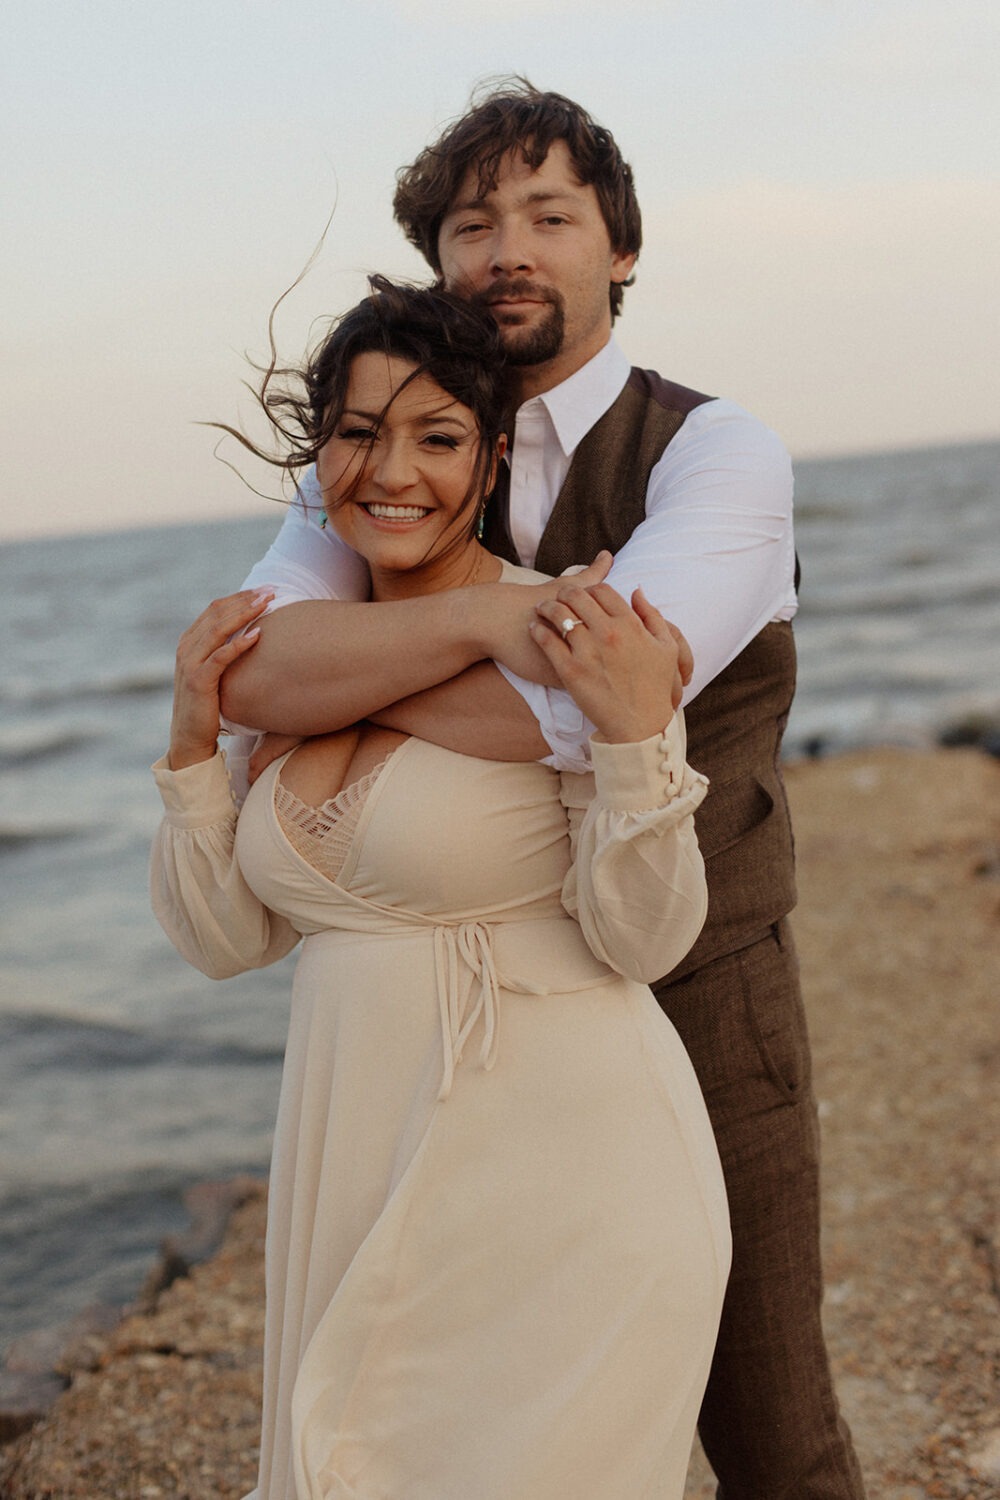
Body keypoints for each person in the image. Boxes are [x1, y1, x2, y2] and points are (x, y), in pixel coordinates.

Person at [219, 82, 866, 1498]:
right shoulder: (385, 447)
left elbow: (594, 711)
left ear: (619, 251)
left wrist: (358, 669)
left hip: (693, 977)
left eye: (549, 215)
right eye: (471, 223)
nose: (507, 247)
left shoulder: (713, 450)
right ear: (437, 260)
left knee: (766, 1423)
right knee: (448, 1415)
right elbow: (255, 674)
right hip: (443, 1018)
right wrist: (483, 626)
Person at [152, 277, 731, 1500]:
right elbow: (224, 940)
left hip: (573, 1177)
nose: (391, 470)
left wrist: (633, 746)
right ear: (321, 456)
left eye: (437, 435)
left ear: (493, 455)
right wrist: (197, 747)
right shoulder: (291, 664)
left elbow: (649, 937)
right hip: (361, 1164)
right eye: (359, 431)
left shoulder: (570, 634)